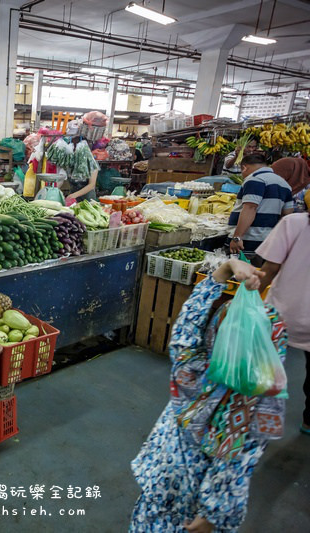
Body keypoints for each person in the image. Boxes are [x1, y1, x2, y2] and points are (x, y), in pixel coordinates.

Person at [130, 258, 287, 532]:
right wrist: (214, 515)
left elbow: (187, 326)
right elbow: (237, 468)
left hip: (162, 491)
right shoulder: (255, 407)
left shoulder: (192, 369)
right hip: (194, 511)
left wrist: (224, 270)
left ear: (215, 331)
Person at [256, 211, 310, 435]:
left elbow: (269, 270)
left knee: (261, 368)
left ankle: (250, 415)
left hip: (281, 315)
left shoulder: (294, 223)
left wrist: (246, 302)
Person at [228, 154, 294, 254]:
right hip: (267, 240)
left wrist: (237, 237)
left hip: (248, 239)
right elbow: (287, 214)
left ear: (244, 168)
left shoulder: (255, 179)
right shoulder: (284, 184)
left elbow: (250, 208)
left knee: (240, 268)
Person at [65, 137, 98, 203]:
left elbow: (91, 185)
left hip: (88, 198)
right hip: (73, 196)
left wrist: (75, 195)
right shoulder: (71, 161)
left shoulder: (91, 162)